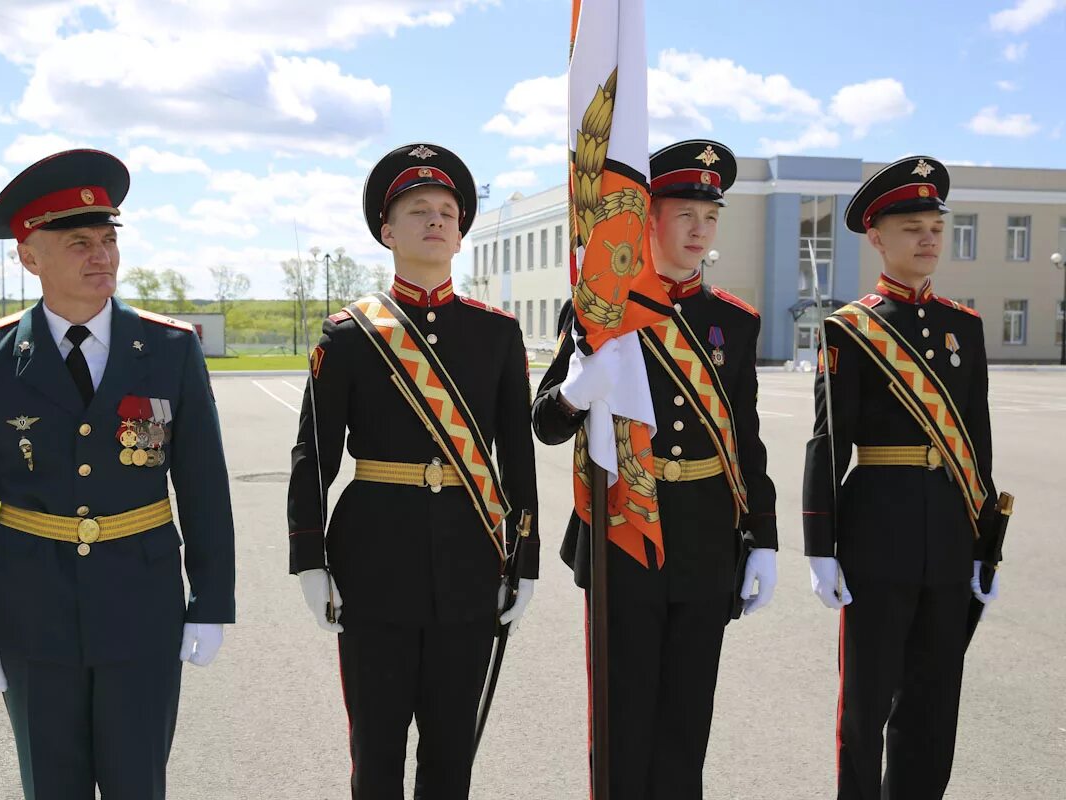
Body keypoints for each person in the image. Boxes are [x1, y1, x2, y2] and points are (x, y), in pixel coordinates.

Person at [0, 148, 236, 800]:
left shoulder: (168, 350)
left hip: (142, 605)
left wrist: (211, 603)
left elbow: (204, 487)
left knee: (138, 784)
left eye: (107, 240)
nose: (101, 255)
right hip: (28, 611)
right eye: (78, 243)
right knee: (52, 787)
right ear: (29, 257)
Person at [286, 142, 539, 800]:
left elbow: (516, 453)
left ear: (460, 233)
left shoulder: (497, 334)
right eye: (419, 210)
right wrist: (309, 557)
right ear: (386, 231)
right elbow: (315, 452)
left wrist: (526, 559)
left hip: (469, 560)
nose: (436, 220)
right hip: (374, 563)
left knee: (452, 752)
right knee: (376, 751)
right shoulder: (349, 336)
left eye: (448, 212)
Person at [533, 139, 778, 799]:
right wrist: (575, 393)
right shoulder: (600, 312)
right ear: (648, 219)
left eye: (711, 217)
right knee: (621, 723)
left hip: (703, 538)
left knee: (684, 725)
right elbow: (545, 424)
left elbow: (745, 439)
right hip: (622, 532)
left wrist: (763, 536)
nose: (700, 231)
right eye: (684, 215)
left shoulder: (735, 322)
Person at [801, 156, 1002, 799]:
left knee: (934, 703)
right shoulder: (850, 329)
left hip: (947, 536)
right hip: (876, 535)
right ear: (877, 237)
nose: (928, 239)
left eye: (935, 228)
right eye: (912, 227)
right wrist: (820, 547)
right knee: (865, 709)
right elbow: (829, 442)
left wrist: (984, 546)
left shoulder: (963, 328)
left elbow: (978, 441)